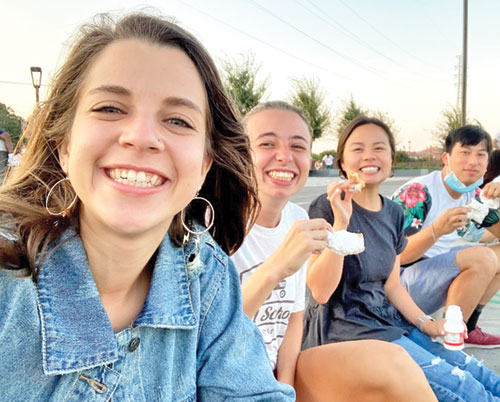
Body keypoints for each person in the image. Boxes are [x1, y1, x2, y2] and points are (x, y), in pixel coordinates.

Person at [0, 13, 295, 401]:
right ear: (65, 144)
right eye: (109, 108)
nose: (141, 137)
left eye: (177, 120)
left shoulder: (206, 276)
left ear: (205, 165)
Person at [233, 103, 437, 401]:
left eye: (298, 146)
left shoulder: (298, 219)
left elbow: (293, 318)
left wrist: (286, 390)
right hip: (226, 376)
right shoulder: (215, 225)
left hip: (281, 368)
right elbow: (214, 339)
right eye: (267, 143)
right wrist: (274, 268)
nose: (284, 156)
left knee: (396, 364)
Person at [302, 115, 500, 401]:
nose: (369, 156)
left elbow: (392, 285)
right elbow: (320, 292)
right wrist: (342, 225)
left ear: (391, 159)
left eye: (379, 148)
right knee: (465, 391)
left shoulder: (393, 213)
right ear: (343, 162)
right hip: (345, 329)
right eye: (357, 149)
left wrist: (426, 324)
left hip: (386, 320)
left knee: (481, 376)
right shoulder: (327, 207)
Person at [391, 125, 500, 348]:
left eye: (481, 154)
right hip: (398, 288)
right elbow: (393, 257)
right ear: (446, 158)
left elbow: (481, 236)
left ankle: (467, 327)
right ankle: (445, 339)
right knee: (483, 258)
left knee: (492, 255)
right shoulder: (419, 192)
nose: (473, 161)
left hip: (431, 276)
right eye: (465, 153)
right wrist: (436, 231)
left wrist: (496, 207)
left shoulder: (474, 194)